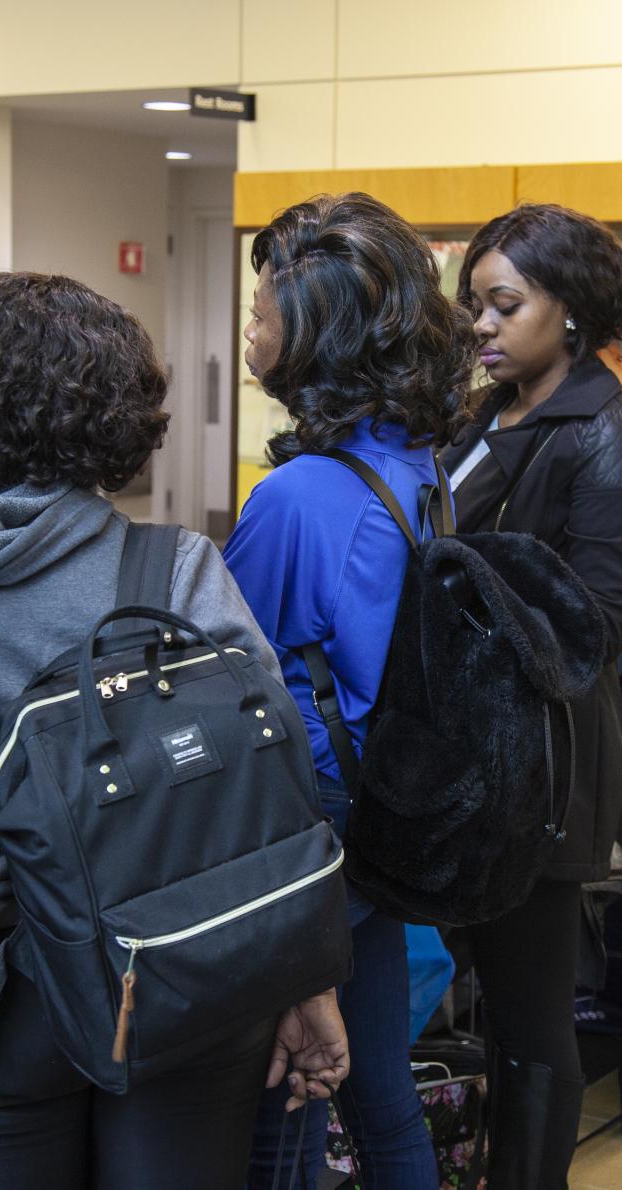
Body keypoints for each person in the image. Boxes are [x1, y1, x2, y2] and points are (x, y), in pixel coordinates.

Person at [0, 271, 350, 1190]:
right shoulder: (169, 572)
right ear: (116, 415)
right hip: (175, 972)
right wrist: (303, 981)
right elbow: (267, 794)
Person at [223, 192, 475, 1188]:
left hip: (305, 832)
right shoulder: (416, 468)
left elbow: (236, 685)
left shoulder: (297, 497)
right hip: (378, 816)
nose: (247, 325)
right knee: (377, 1093)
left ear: (317, 328)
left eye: (261, 307)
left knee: (285, 1098)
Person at [440, 202, 622, 1188]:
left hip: (543, 771)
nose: (482, 326)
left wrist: (455, 592)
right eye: (476, 305)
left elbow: (597, 622)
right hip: (467, 755)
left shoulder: (600, 434)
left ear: (571, 304)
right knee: (479, 1002)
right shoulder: (486, 414)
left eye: (503, 304)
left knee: (530, 1012)